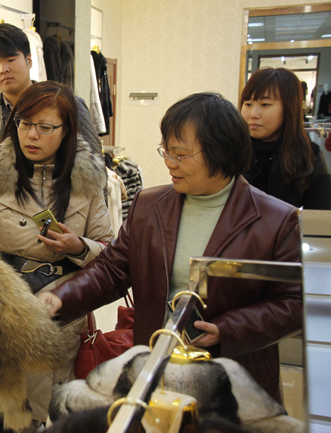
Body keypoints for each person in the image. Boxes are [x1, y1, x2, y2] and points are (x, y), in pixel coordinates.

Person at [39, 92, 302, 404]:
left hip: (235, 379)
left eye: (181, 155)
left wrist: (228, 330)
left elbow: (292, 303)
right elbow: (112, 270)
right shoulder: (150, 206)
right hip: (157, 368)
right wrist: (60, 298)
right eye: (166, 151)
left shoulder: (276, 219)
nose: (168, 163)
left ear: (221, 152)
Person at [0, 81, 114, 432]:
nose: (31, 135)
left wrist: (78, 247)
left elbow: (111, 254)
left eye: (45, 127)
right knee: (6, 411)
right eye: (24, 123)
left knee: (53, 405)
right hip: (2, 301)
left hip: (60, 306)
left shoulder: (87, 179)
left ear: (66, 131)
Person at [0, 23, 102, 205]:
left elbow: (95, 175)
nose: (3, 69)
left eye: (10, 59)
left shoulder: (70, 106)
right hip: (2, 230)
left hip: (60, 224)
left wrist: (78, 230)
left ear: (29, 60)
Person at [240, 67, 331, 209]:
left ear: (289, 108)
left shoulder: (308, 155)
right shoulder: (232, 150)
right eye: (248, 104)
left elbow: (319, 219)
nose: (253, 114)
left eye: (265, 104)